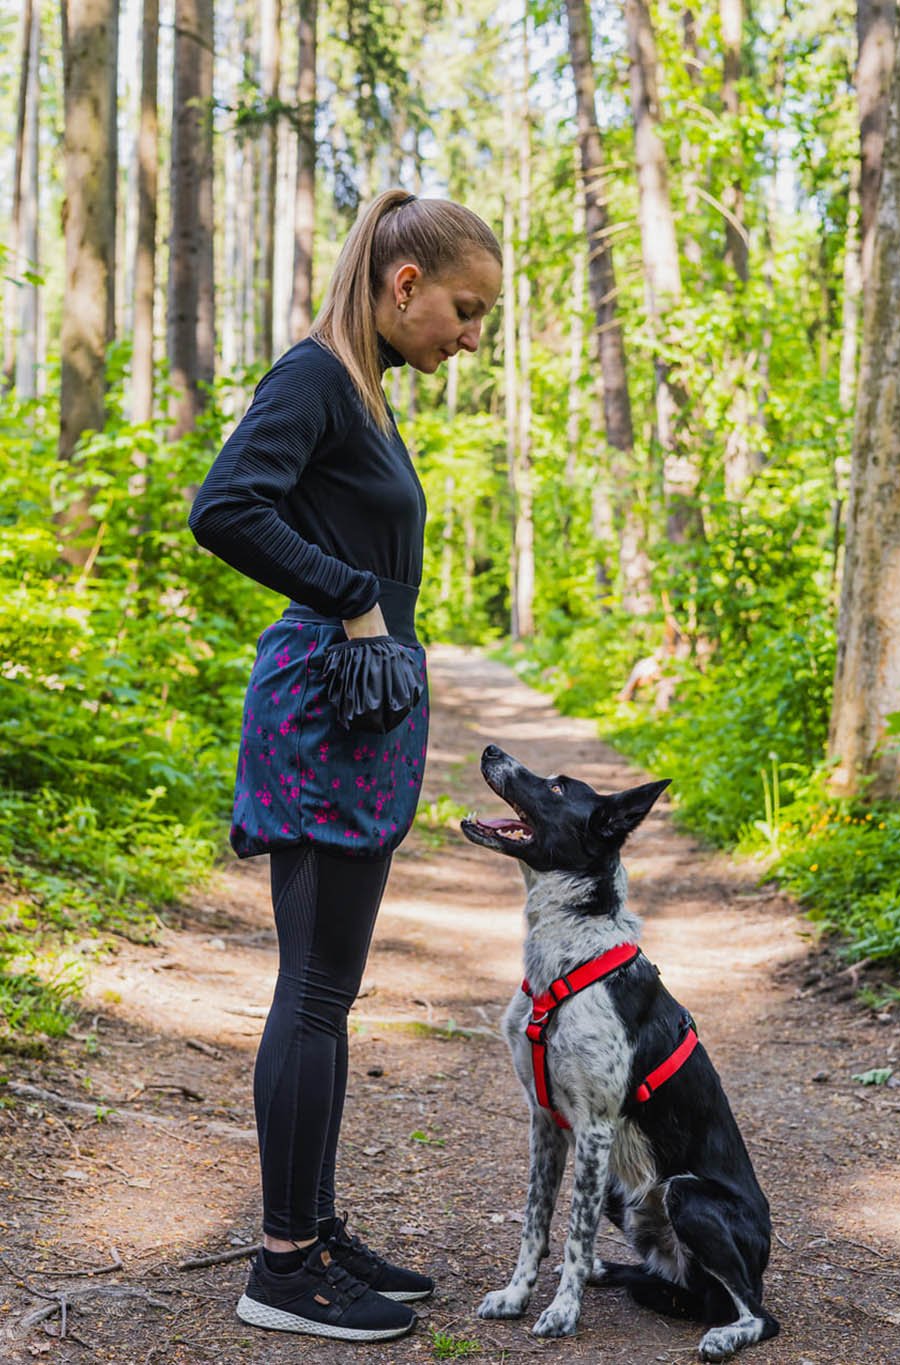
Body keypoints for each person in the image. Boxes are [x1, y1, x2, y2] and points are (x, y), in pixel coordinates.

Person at [188, 188, 502, 1342]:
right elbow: (225, 507)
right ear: (403, 284)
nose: (472, 337)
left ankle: (311, 1228)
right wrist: (350, 594)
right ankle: (280, 1267)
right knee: (313, 990)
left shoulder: (362, 392)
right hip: (325, 704)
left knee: (331, 988)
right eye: (465, 310)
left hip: (356, 711)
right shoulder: (317, 376)